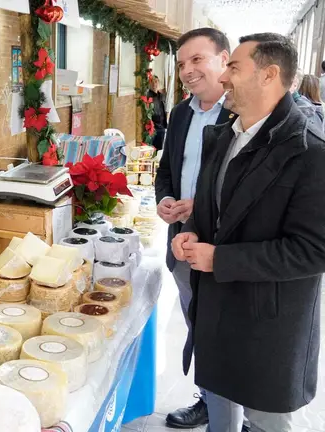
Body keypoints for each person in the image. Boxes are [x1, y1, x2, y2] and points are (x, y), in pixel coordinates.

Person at [173, 32, 325, 432]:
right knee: (221, 405)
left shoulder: (310, 151)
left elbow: (313, 251)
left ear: (269, 75)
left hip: (269, 323)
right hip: (219, 307)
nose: (223, 77)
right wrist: (192, 231)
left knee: (265, 421)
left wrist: (220, 259)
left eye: (234, 68)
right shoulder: (226, 134)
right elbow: (213, 206)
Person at [154, 27, 234, 429]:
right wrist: (165, 199)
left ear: (224, 59)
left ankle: (236, 409)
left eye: (197, 59)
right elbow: (167, 169)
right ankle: (210, 399)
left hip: (227, 248)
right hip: (182, 245)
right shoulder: (182, 113)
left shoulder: (243, 113)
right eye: (182, 63)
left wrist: (200, 206)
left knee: (228, 334)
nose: (187, 70)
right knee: (197, 325)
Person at [148, 75, 168, 151]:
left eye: (156, 82)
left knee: (159, 150)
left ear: (158, 83)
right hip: (153, 128)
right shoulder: (148, 96)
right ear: (149, 83)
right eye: (152, 82)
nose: (154, 84)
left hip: (161, 127)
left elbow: (164, 110)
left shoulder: (162, 96)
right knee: (151, 150)